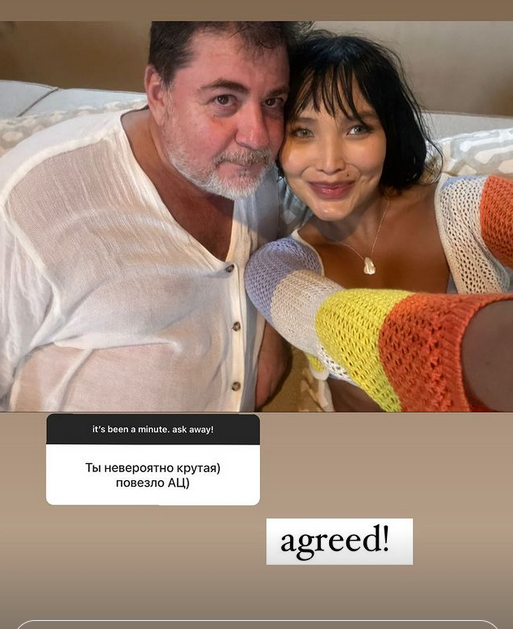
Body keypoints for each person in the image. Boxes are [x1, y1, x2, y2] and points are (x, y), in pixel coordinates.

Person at [0, 21, 307, 412]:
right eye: (224, 100)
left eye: (272, 101)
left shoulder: (257, 172)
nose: (258, 137)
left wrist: (273, 329)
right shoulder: (32, 201)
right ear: (159, 94)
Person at [245, 31, 513, 412]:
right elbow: (341, 326)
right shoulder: (273, 267)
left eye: (357, 129)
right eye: (303, 132)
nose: (330, 163)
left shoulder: (470, 204)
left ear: (390, 132)